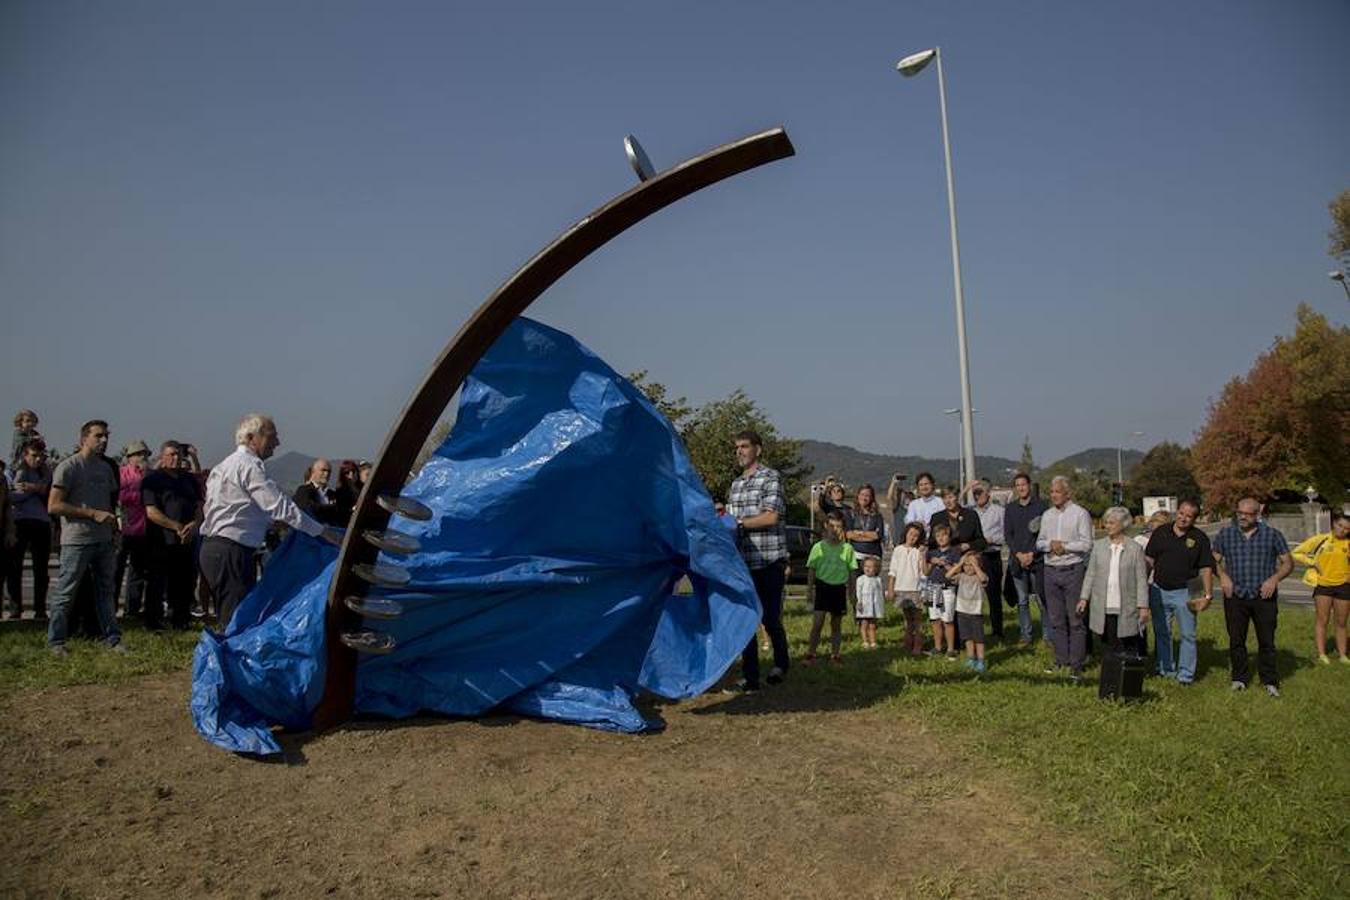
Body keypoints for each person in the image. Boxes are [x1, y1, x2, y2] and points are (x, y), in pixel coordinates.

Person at [200, 414, 342, 630]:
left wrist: (268, 523)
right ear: (251, 438)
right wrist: (322, 532)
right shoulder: (248, 466)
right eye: (271, 436)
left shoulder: (224, 466)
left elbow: (231, 508)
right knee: (236, 621)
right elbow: (280, 506)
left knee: (231, 616)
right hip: (232, 551)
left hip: (216, 548)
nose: (277, 442)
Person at [45, 420, 124, 656]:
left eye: (106, 436)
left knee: (106, 591)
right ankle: (56, 641)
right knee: (66, 591)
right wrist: (90, 513)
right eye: (98, 436)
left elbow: (111, 502)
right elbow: (54, 505)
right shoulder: (68, 467)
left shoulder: (105, 468)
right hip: (76, 539)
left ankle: (112, 638)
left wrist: (115, 528)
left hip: (103, 539)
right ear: (84, 439)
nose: (104, 440)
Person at [725, 430, 790, 691]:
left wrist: (738, 524)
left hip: (769, 560)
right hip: (743, 564)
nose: (739, 451)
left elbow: (771, 517)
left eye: (744, 446)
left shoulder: (770, 477)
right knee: (746, 621)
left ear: (757, 449)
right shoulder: (735, 485)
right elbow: (730, 523)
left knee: (771, 619)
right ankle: (750, 677)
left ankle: (780, 664)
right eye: (737, 447)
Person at [1212, 497, 1292, 696]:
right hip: (1236, 595)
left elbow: (1288, 563)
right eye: (1239, 513)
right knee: (1236, 640)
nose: (1242, 517)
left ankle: (1269, 680)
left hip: (1263, 596)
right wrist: (1223, 577)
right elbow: (1212, 560)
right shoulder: (1226, 534)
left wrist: (1274, 580)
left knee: (1266, 641)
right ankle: (1239, 678)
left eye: (1247, 514)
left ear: (1258, 514)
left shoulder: (1272, 535)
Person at [1144, 498, 1214, 685]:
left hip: (1187, 591)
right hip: (1159, 589)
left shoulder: (1199, 538)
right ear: (1177, 512)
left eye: (1189, 516)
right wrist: (1142, 586)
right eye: (1181, 514)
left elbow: (1206, 567)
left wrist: (1207, 595)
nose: (1183, 519)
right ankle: (1165, 669)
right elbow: (1149, 560)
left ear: (1194, 519)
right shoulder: (1160, 532)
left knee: (1188, 634)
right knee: (1162, 632)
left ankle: (1185, 675)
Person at [141, 442, 205, 630]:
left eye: (178, 455)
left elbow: (200, 505)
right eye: (171, 454)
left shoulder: (189, 479)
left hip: (186, 539)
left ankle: (181, 619)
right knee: (157, 582)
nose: (176, 458)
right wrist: (175, 526)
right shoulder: (152, 480)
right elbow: (151, 511)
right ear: (162, 457)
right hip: (160, 539)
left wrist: (194, 524)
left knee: (184, 581)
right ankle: (153, 622)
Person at [1036, 476, 1093, 681]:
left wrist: (1065, 546)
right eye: (1051, 492)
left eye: (1057, 491)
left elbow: (1087, 544)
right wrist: (1050, 545)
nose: (1053, 495)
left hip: (1072, 570)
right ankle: (1061, 659)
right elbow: (1039, 542)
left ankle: (1077, 663)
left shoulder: (1080, 514)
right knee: (1056, 619)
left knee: (1075, 619)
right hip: (1051, 570)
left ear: (1067, 493)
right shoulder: (1047, 515)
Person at [1077, 507, 1150, 662]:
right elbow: (1090, 574)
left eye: (1111, 523)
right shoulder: (1098, 546)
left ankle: (1128, 674)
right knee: (1110, 644)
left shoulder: (1135, 549)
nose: (1107, 526)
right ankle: (1111, 676)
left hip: (1127, 605)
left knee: (1128, 642)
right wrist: (1084, 598)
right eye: (1106, 523)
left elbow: (1141, 580)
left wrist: (1143, 606)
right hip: (1104, 604)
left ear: (1123, 524)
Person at [1292, 511, 1350, 665]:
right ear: (1333, 524)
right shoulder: (1321, 540)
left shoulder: (1348, 543)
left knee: (1342, 622)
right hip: (1323, 586)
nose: (1342, 530)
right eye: (1340, 526)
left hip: (1344, 586)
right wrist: (1311, 562)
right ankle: (1322, 654)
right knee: (1322, 620)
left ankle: (1343, 655)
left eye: (1346, 528)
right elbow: (1296, 552)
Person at [6, 440, 51, 618]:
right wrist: (35, 489)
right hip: (19, 521)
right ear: (25, 455)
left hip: (42, 522)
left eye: (41, 456)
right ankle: (15, 609)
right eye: (34, 455)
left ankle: (40, 609)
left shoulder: (47, 471)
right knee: (14, 568)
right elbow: (10, 496)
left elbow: (49, 492)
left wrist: (31, 487)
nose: (38, 459)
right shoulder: (13, 471)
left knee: (41, 569)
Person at [804, 512, 855, 664]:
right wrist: (809, 591)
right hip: (822, 587)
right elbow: (811, 570)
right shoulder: (818, 547)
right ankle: (811, 653)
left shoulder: (847, 549)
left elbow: (852, 571)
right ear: (826, 526)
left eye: (838, 526)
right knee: (818, 622)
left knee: (836, 624)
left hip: (839, 588)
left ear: (843, 529)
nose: (835, 529)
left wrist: (852, 592)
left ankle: (835, 654)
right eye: (832, 526)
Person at [1004, 471, 1048, 648]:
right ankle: (1026, 635)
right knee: (1022, 601)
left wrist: (1032, 554)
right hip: (1017, 561)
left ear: (1029, 485)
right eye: (1018, 485)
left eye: (1023, 484)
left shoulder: (1041, 507)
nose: (1021, 487)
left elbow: (1045, 533)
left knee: (1041, 600)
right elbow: (1008, 535)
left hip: (1037, 561)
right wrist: (1019, 554)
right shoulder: (1010, 508)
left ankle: (1047, 636)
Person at [115, 440, 152, 618]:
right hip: (124, 528)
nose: (142, 458)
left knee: (138, 572)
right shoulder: (121, 474)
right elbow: (119, 497)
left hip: (143, 530)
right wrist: (138, 490)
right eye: (138, 454)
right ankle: (111, 608)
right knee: (116, 570)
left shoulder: (150, 475)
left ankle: (132, 609)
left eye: (144, 454)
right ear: (129, 457)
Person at [968, 479, 1006, 642]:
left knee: (994, 595)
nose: (977, 496)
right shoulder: (971, 512)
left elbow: (1006, 534)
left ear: (988, 493)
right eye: (974, 493)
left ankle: (997, 631)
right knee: (971, 595)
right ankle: (972, 632)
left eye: (980, 493)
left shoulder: (999, 511)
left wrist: (992, 540)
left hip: (991, 555)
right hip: (976, 557)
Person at [886, 521, 927, 656]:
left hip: (915, 589)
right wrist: (891, 589)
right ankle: (908, 643)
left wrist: (923, 554)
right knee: (907, 619)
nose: (912, 538)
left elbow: (923, 572)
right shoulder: (898, 550)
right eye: (911, 534)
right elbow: (893, 571)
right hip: (901, 589)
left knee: (918, 620)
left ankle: (918, 645)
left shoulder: (918, 551)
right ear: (906, 534)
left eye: (916, 536)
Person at [923, 522, 963, 658]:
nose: (941, 538)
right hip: (932, 588)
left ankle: (951, 649)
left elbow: (956, 571)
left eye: (944, 535)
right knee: (935, 619)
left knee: (948, 620)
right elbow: (926, 572)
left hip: (947, 589)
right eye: (938, 536)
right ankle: (938, 646)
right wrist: (926, 559)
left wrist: (944, 563)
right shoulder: (931, 553)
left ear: (949, 537)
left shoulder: (955, 553)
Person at [950, 552, 988, 672]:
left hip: (975, 612)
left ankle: (981, 660)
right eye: (966, 565)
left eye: (971, 565)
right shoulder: (961, 576)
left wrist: (976, 566)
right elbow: (948, 575)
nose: (969, 567)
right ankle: (971, 658)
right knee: (967, 637)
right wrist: (960, 563)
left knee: (979, 638)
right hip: (962, 611)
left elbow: (983, 578)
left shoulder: (979, 577)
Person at [926, 485, 986, 555]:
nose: (948, 501)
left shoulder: (971, 515)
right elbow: (932, 543)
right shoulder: (937, 517)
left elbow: (981, 542)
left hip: (966, 557)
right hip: (943, 558)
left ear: (957, 497)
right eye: (944, 498)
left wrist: (968, 545)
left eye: (950, 497)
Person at [293, 458, 341, 525]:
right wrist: (332, 507)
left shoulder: (332, 494)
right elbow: (309, 509)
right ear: (313, 472)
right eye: (323, 470)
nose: (326, 474)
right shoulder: (304, 490)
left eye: (329, 471)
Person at [854, 555, 885, 649]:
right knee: (864, 623)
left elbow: (880, 592)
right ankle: (865, 641)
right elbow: (858, 591)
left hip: (874, 604)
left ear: (876, 569)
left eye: (871, 567)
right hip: (864, 604)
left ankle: (873, 641)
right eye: (866, 566)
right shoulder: (861, 579)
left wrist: (882, 602)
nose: (868, 569)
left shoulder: (877, 580)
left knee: (872, 624)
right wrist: (859, 602)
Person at [333, 459, 363, 523]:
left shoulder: (363, 488)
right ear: (343, 475)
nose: (351, 474)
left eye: (353, 471)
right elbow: (340, 510)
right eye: (347, 472)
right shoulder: (340, 492)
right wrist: (352, 509)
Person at [885, 473, 908, 546]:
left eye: (904, 494)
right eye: (900, 495)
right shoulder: (897, 508)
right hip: (899, 541)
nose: (903, 496)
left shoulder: (913, 508)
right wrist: (893, 483)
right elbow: (889, 497)